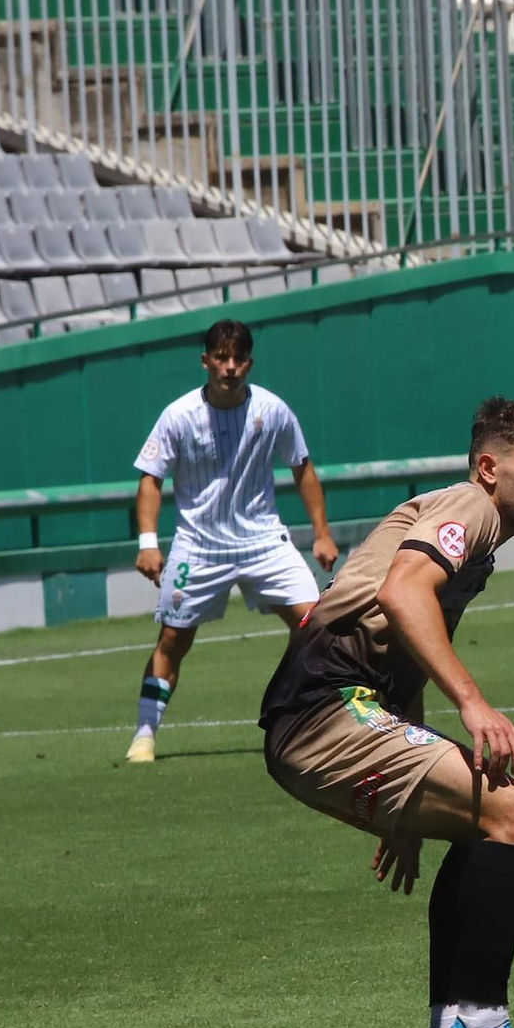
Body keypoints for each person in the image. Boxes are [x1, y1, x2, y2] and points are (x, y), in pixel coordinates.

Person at [258, 397, 514, 1028]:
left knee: (480, 828)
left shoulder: (479, 535)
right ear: (490, 467)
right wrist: (472, 703)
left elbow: (403, 651)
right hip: (325, 707)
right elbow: (406, 594)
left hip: (340, 708)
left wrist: (405, 809)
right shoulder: (472, 507)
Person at [125, 320, 339, 764]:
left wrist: (321, 533)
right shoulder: (178, 415)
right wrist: (148, 541)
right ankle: (144, 735)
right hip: (199, 546)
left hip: (263, 541)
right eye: (221, 358)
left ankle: (321, 718)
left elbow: (302, 467)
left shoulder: (273, 409)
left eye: (238, 359)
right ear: (205, 361)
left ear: (249, 363)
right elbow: (151, 479)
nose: (230, 367)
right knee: (172, 640)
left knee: (319, 625)